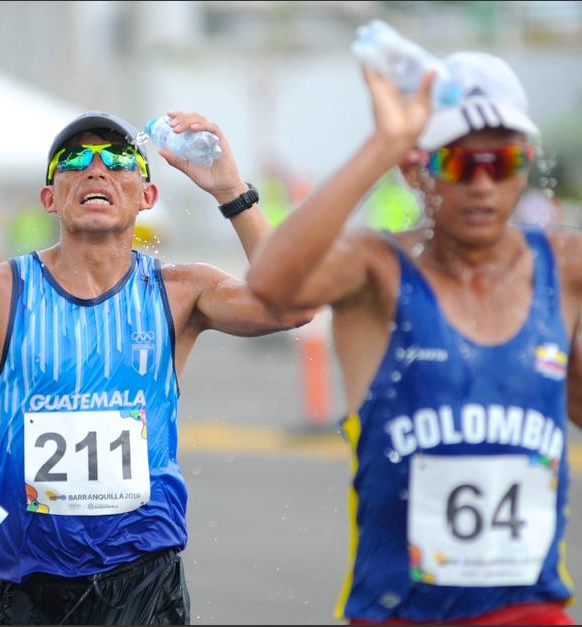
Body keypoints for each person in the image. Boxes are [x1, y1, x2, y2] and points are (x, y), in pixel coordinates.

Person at [0, 110, 312, 625]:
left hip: (146, 580)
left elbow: (293, 306)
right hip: (29, 586)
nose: (96, 169)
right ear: (49, 198)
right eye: (74, 158)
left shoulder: (181, 291)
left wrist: (231, 190)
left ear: (147, 196)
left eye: (120, 159)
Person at [246, 48, 582, 625]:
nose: (482, 185)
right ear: (415, 168)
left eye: (501, 162)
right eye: (459, 164)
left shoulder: (565, 265)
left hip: (529, 608)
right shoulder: (375, 268)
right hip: (401, 611)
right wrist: (383, 142)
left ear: (524, 167)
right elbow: (272, 284)